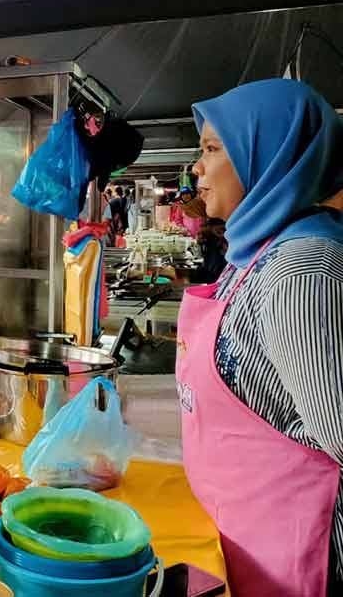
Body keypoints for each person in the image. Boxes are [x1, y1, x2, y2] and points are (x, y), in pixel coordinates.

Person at [179, 79, 343, 595]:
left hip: (298, 555)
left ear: (267, 155)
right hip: (245, 537)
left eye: (211, 149)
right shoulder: (254, 252)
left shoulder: (300, 270)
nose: (197, 169)